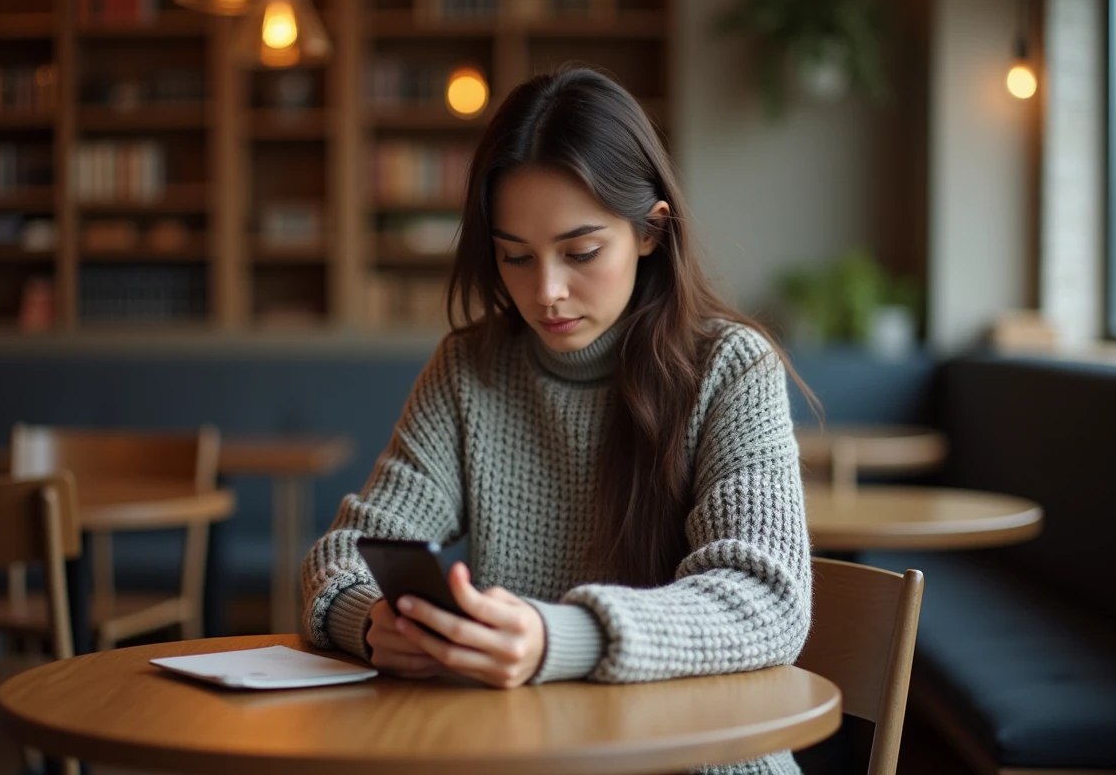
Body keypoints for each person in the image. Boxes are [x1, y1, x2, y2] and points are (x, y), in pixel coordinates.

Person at [302, 66, 813, 775]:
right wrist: (373, 623)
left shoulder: (731, 368)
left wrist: (560, 639)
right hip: (527, 757)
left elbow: (767, 601)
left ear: (650, 231)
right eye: (515, 256)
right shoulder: (470, 370)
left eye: (580, 253)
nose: (545, 292)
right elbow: (347, 551)